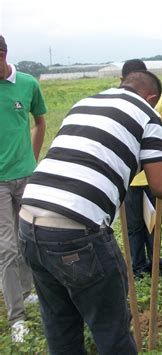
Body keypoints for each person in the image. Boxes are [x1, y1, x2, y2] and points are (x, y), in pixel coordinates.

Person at [19, 70, 162, 354]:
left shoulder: (84, 103)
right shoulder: (147, 114)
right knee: (112, 332)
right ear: (152, 98)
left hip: (29, 220)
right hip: (76, 231)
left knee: (60, 327)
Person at [0, 34, 47, 342]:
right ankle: (16, 316)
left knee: (28, 239)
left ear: (3, 54)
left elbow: (40, 121)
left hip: (25, 175)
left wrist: (32, 157)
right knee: (6, 247)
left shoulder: (28, 83)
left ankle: (29, 292)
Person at [120, 59, 162, 277]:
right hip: (129, 179)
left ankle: (155, 264)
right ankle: (137, 265)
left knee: (153, 224)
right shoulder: (119, 103)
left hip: (153, 177)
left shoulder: (159, 101)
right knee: (133, 225)